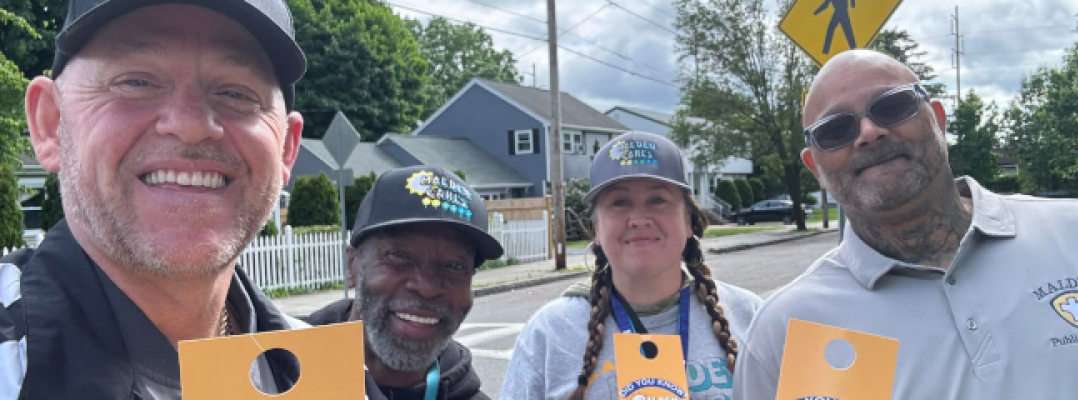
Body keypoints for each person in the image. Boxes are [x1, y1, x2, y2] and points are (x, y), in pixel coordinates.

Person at [733, 50, 1078, 399]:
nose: (869, 132)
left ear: (936, 119)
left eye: (892, 106)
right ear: (815, 166)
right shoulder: (786, 332)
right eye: (836, 130)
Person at [0, 0, 385, 398]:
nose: (191, 125)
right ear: (50, 124)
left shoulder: (338, 382)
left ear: (287, 148)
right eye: (137, 82)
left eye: (236, 92)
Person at [499, 131, 762, 399]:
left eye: (658, 200)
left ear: (688, 220)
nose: (638, 219)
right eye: (619, 202)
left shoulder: (749, 315)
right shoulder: (551, 332)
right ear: (596, 229)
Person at [305, 166, 502, 400]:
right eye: (400, 256)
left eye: (454, 266)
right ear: (352, 265)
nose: (427, 288)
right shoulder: (269, 373)